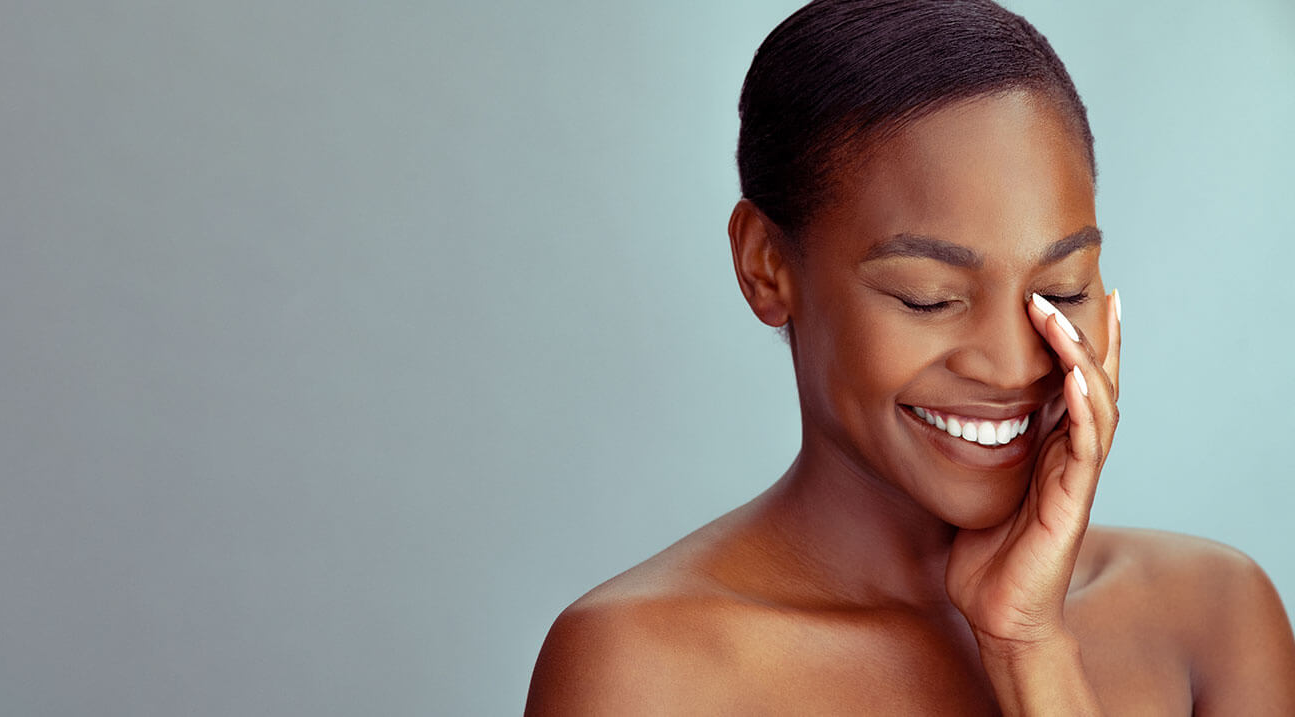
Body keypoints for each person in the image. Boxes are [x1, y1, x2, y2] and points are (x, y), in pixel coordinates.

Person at [525, 1, 1295, 713]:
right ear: (766, 264)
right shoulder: (642, 668)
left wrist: (1031, 650)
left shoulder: (1214, 615)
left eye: (1061, 292)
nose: (1012, 365)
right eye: (929, 297)